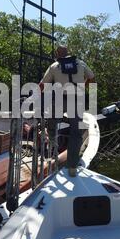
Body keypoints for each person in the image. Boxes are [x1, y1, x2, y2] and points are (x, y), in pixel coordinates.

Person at [39, 46, 95, 177]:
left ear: (57, 54)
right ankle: (72, 168)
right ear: (68, 53)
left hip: (61, 99)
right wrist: (83, 86)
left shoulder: (55, 66)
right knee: (76, 133)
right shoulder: (80, 63)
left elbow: (42, 85)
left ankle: (52, 142)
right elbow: (92, 78)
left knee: (52, 121)